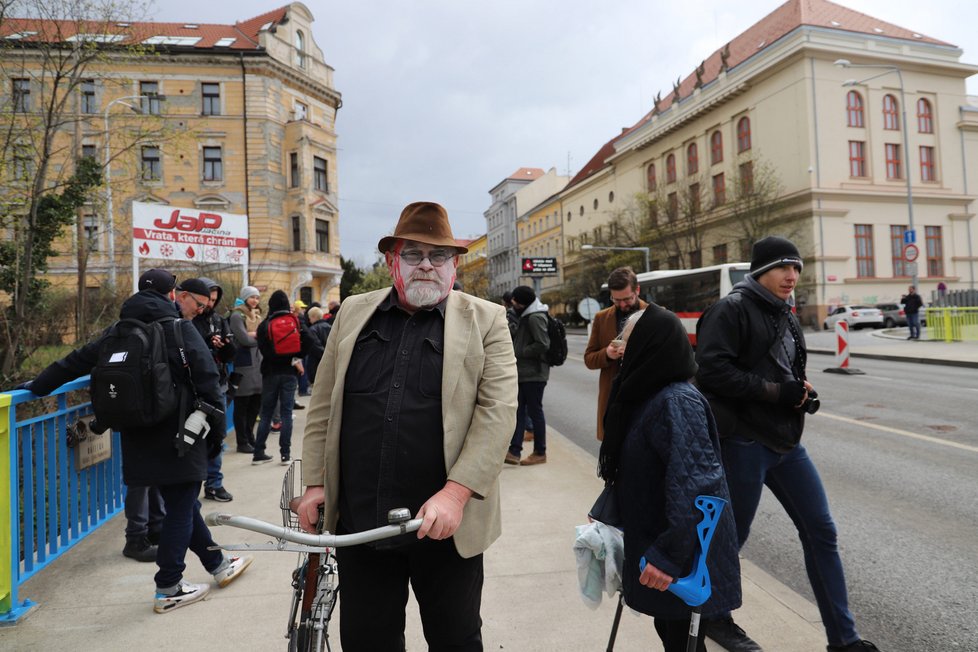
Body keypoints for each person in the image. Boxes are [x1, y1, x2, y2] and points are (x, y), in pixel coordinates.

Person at [294, 201, 517, 650]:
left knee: (455, 639)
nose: (427, 266)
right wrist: (316, 483)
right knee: (367, 641)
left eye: (439, 256)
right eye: (413, 254)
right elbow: (323, 406)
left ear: (454, 263)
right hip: (361, 524)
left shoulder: (487, 319)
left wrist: (456, 494)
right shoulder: (354, 312)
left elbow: (498, 415)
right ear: (392, 260)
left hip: (445, 527)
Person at [21, 268, 252, 613]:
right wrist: (215, 437)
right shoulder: (177, 328)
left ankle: (217, 564)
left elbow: (72, 363)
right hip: (180, 436)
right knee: (181, 506)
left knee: (183, 502)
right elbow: (207, 380)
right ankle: (169, 586)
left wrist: (33, 389)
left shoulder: (117, 331)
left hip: (136, 435)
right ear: (170, 295)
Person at [695, 237, 879, 652]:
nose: (791, 276)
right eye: (783, 267)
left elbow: (786, 370)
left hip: (786, 442)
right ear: (760, 270)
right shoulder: (731, 309)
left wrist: (803, 394)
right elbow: (711, 372)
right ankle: (712, 616)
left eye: (796, 268)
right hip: (742, 441)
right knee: (730, 538)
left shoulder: (787, 313)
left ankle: (844, 640)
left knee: (821, 531)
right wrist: (778, 393)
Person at [599, 306, 741, 652]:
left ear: (650, 345)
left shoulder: (675, 401)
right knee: (673, 635)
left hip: (682, 553)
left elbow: (699, 487)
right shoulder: (649, 395)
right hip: (661, 540)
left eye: (628, 339)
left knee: (682, 642)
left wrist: (668, 557)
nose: (620, 346)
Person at [584, 266, 648, 441]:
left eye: (626, 299)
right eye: (616, 299)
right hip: (613, 398)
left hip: (645, 396)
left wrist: (635, 352)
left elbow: (669, 357)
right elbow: (589, 359)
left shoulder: (656, 315)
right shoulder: (601, 318)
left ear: (637, 290)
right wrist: (607, 354)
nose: (622, 305)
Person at [192, 277, 237, 503]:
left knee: (216, 435)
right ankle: (194, 485)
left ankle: (214, 483)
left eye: (213, 299)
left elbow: (231, 354)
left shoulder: (219, 320)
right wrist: (207, 343)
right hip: (193, 387)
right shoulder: (187, 321)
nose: (209, 304)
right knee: (194, 436)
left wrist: (226, 346)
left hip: (218, 382)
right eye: (206, 299)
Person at [253, 289, 310, 465]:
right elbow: (308, 341)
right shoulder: (296, 322)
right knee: (286, 413)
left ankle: (258, 453)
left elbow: (262, 348)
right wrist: (295, 357)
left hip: (270, 372)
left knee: (266, 413)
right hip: (289, 373)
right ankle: (285, 454)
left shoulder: (265, 325)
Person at [505, 285, 550, 466]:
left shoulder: (535, 317)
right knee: (519, 412)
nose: (513, 304)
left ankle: (540, 452)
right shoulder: (526, 314)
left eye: (515, 301)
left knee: (535, 412)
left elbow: (543, 344)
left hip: (535, 374)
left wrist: (521, 351)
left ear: (523, 302)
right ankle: (514, 451)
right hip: (525, 372)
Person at [228, 286, 263, 453]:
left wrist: (254, 335)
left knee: (255, 404)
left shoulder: (256, 315)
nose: (255, 301)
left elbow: (255, 336)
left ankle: (250, 437)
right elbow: (243, 339)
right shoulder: (236, 315)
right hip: (244, 364)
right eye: (252, 297)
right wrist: (261, 336)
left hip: (258, 365)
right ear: (245, 298)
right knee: (242, 405)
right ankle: (242, 441)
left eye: (257, 297)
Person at [304, 305, 332, 385]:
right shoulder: (330, 327)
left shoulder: (313, 329)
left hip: (317, 364)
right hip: (330, 363)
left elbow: (315, 346)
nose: (309, 320)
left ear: (313, 317)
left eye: (309, 317)